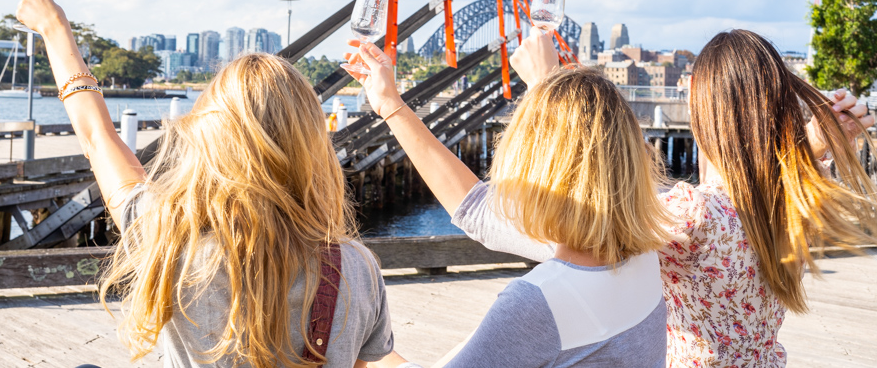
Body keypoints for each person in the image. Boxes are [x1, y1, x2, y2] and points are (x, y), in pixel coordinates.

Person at [363, 27, 877, 368]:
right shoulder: (785, 200)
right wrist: (814, 144)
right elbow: (765, 172)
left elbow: (484, 209)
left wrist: (393, 105)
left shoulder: (695, 217)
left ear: (701, 106)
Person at [16, 0, 394, 368]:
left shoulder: (168, 232)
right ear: (312, 146)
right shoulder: (356, 267)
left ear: (208, 138)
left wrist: (54, 29)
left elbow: (98, 139)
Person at [346, 33, 674, 367]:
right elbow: (475, 209)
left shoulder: (537, 304)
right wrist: (391, 107)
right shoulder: (641, 259)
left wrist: (376, 355)